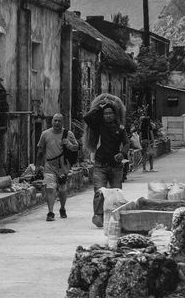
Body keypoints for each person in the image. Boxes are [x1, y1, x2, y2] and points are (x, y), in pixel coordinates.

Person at [82, 94, 129, 227]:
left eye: (110, 113)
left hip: (116, 167)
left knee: (116, 193)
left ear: (115, 115)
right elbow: (87, 118)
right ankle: (98, 216)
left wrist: (122, 153)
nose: (108, 115)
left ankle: (116, 216)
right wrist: (99, 107)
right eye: (105, 113)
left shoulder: (120, 129)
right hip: (100, 165)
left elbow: (126, 143)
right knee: (99, 191)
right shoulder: (98, 126)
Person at [35, 113, 80, 221]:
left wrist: (68, 144)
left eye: (59, 121)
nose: (57, 123)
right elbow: (40, 151)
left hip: (63, 167)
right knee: (50, 188)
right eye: (55, 120)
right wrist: (37, 165)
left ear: (62, 122)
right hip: (49, 166)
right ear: (52, 121)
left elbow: (76, 147)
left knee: (62, 189)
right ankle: (50, 212)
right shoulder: (45, 134)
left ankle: (62, 208)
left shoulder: (68, 134)